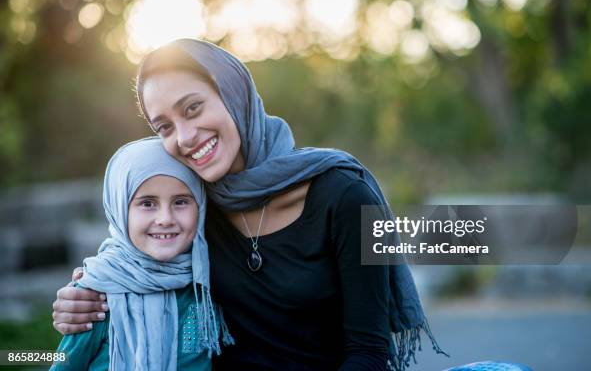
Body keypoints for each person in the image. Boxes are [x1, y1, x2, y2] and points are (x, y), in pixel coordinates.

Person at [52, 39, 446, 370]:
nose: (185, 137)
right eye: (165, 127)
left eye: (193, 108)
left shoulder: (347, 196)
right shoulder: (195, 206)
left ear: (233, 94)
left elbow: (370, 353)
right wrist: (81, 294)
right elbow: (132, 260)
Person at [51, 137, 232, 370]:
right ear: (119, 208)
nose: (165, 219)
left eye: (180, 201)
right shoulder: (97, 294)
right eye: (147, 203)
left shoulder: (207, 284)